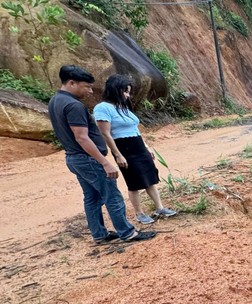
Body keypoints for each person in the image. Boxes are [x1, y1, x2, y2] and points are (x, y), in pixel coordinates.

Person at [47, 65, 155, 243]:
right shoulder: (73, 105)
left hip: (74, 158)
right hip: (87, 159)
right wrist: (105, 162)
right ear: (72, 83)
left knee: (92, 197)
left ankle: (99, 234)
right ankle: (127, 232)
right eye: (86, 86)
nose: (90, 91)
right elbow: (82, 138)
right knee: (112, 195)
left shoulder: (55, 101)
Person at [94, 74, 177, 224]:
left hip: (138, 145)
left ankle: (160, 208)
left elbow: (135, 129)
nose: (128, 95)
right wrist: (118, 155)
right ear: (115, 89)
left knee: (149, 178)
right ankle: (139, 213)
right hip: (124, 148)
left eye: (128, 92)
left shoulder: (123, 107)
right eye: (125, 91)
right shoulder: (102, 108)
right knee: (134, 183)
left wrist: (146, 147)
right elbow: (105, 133)